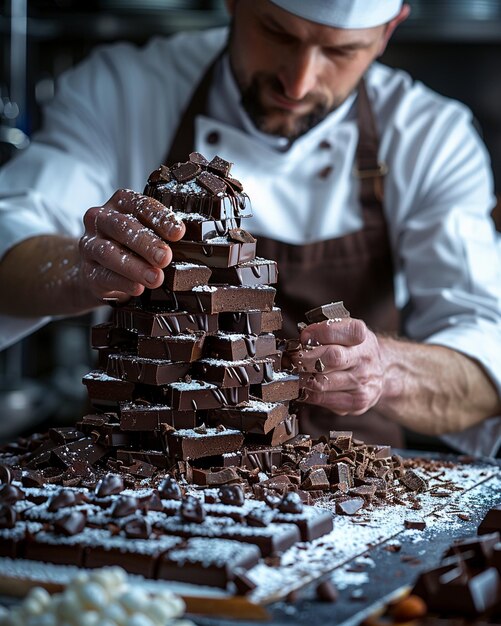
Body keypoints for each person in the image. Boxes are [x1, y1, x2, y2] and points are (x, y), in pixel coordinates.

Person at [0, 0, 500, 454]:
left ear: (388, 30)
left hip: (353, 506)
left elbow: (486, 364)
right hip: (153, 471)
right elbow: (11, 232)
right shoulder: (123, 90)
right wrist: (80, 266)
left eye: (341, 50)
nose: (299, 83)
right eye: (278, 33)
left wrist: (386, 371)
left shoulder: (431, 137)